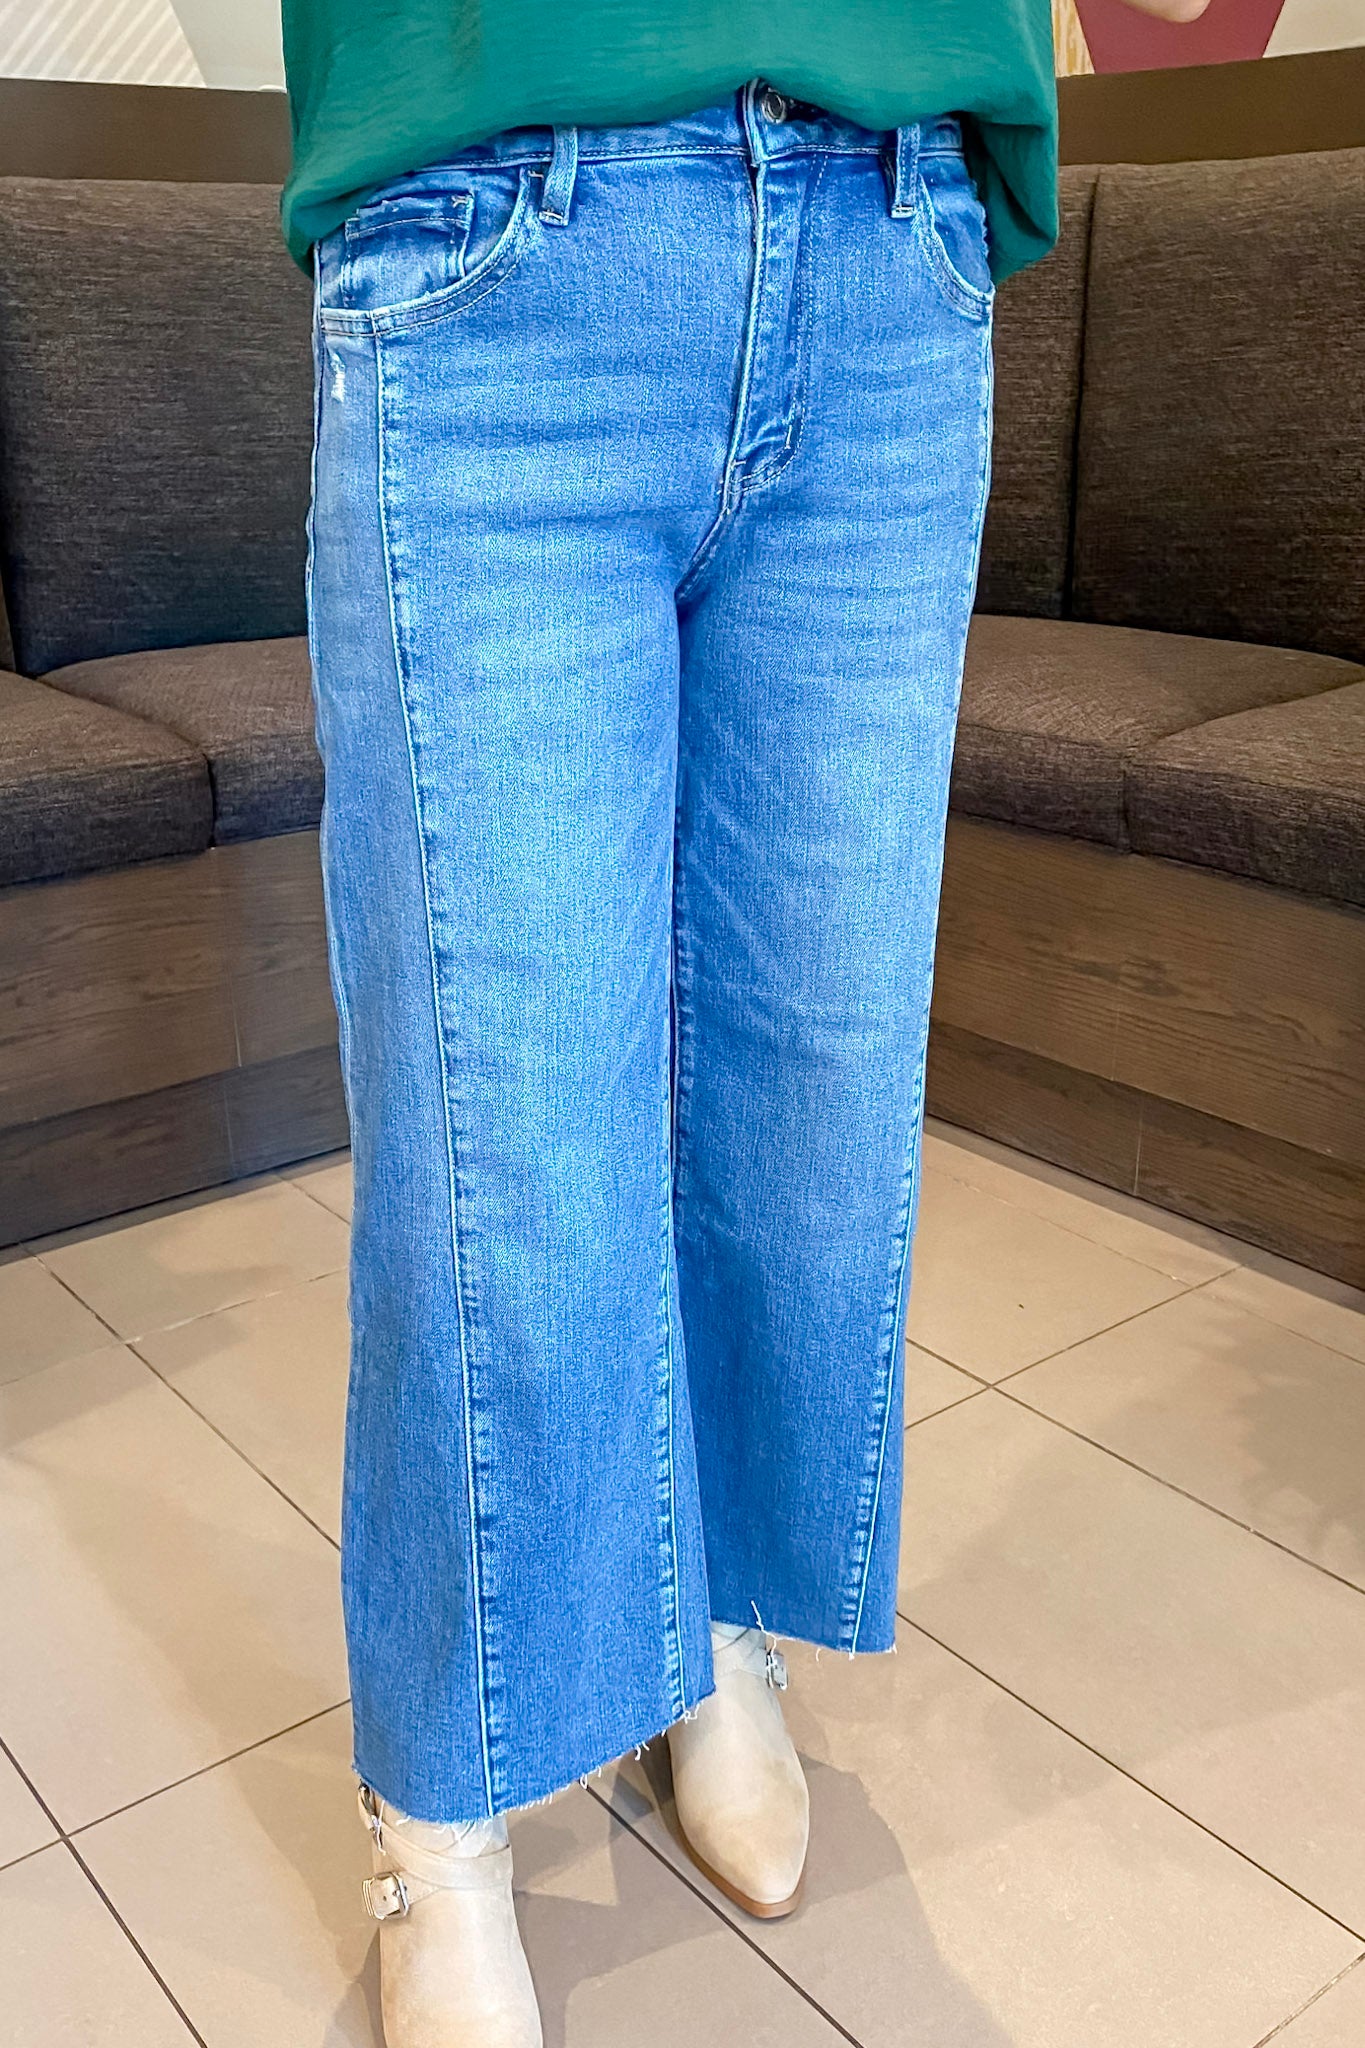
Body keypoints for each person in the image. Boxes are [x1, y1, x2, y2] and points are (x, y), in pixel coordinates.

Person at [283, 0, 1209, 2039]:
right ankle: (442, 1807)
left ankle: (706, 1622)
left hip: (894, 235)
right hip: (500, 226)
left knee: (807, 1091)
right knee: (505, 1140)